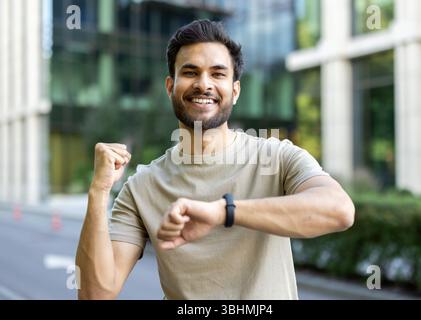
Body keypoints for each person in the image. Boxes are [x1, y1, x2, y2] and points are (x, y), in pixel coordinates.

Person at [75, 19, 355, 300]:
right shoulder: (141, 187)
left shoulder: (277, 157)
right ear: (170, 86)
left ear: (235, 90)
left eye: (218, 74)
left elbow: (339, 211)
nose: (203, 84)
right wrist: (98, 192)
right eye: (190, 72)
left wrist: (224, 212)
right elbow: (95, 293)